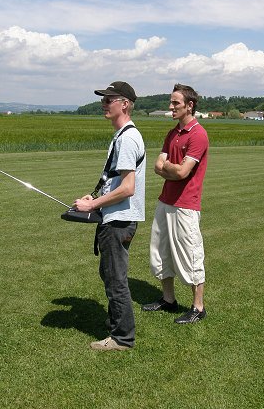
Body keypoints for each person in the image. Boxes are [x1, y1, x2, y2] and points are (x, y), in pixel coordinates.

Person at [74, 81, 146, 351]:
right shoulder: (122, 135)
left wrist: (92, 206)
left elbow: (128, 189)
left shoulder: (127, 138)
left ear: (124, 104)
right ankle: (118, 321)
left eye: (109, 100)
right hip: (114, 217)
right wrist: (96, 197)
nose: (104, 104)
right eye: (103, 100)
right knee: (109, 273)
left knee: (116, 279)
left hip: (119, 220)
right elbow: (116, 182)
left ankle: (122, 338)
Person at [143, 83, 209, 324]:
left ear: (189, 106)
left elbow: (181, 172)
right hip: (166, 201)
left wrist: (169, 167)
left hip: (186, 204)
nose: (170, 107)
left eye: (175, 103)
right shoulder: (172, 133)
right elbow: (157, 165)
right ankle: (168, 300)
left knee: (190, 254)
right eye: (171, 102)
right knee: (160, 253)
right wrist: (171, 168)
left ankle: (198, 307)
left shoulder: (198, 134)